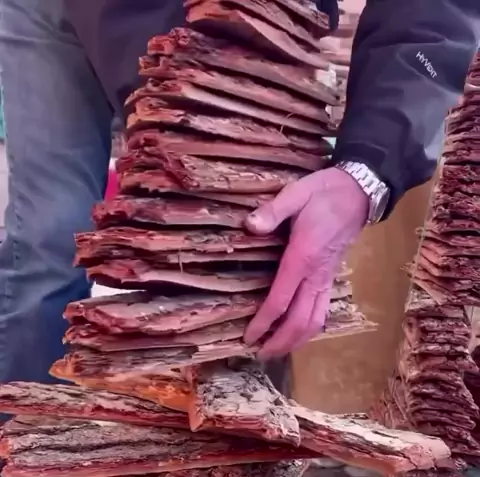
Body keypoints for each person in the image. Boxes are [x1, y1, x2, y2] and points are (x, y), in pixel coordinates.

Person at [0, 1, 478, 383]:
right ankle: (22, 457)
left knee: (238, 260)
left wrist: (369, 169)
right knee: (46, 245)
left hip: (233, 34)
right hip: (51, 11)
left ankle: (233, 445)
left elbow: (432, 12)